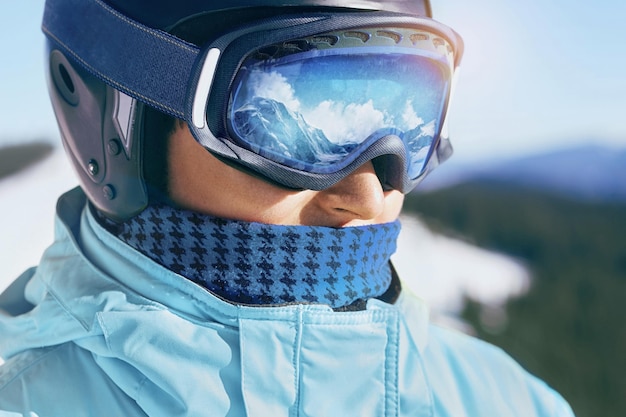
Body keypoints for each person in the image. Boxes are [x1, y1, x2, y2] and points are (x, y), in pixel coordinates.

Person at [0, 0, 575, 416]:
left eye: (411, 114)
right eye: (293, 124)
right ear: (114, 129)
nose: (371, 196)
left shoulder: (509, 400)